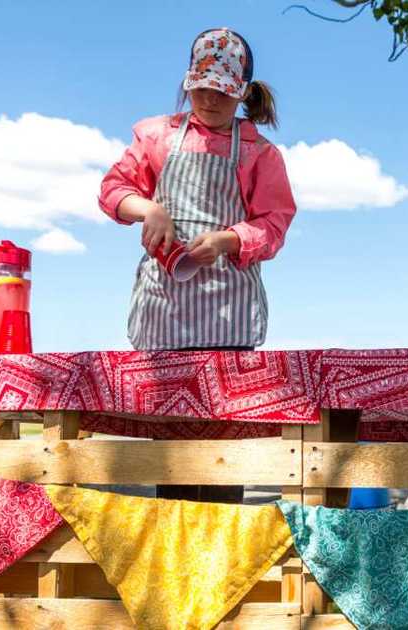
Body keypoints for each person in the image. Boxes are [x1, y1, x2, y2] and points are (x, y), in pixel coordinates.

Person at [99, 28, 296, 503]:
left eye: (222, 91)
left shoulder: (258, 152)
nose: (209, 99)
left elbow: (275, 222)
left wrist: (229, 239)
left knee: (225, 458)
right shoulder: (155, 136)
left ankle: (226, 562)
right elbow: (111, 192)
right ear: (189, 83)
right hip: (166, 316)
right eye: (202, 87)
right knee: (175, 460)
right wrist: (150, 210)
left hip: (227, 318)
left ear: (242, 93)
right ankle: (174, 565)